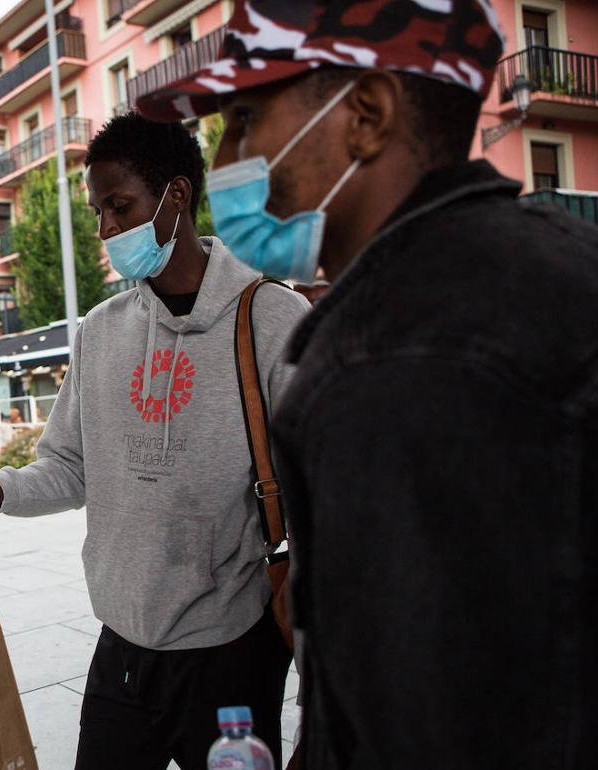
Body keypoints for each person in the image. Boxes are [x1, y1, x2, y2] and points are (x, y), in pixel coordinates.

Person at [140, 1, 598, 767]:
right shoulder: (563, 264)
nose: (223, 165)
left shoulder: (388, 361)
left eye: (246, 119)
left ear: (367, 115)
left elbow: (413, 724)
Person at [0, 113, 310, 769]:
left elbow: (326, 498)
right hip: (122, 649)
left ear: (175, 196)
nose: (105, 231)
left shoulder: (273, 320)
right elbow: (66, 467)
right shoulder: (100, 330)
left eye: (119, 207)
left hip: (234, 652)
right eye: (97, 211)